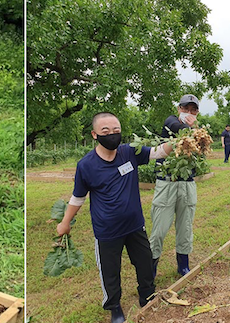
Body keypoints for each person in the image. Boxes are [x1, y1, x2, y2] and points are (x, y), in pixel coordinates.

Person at [56, 112, 173, 323]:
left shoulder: (129, 152)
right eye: (106, 131)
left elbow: (159, 152)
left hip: (135, 225)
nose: (112, 135)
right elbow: (78, 197)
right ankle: (114, 307)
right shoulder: (87, 165)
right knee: (110, 272)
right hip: (107, 230)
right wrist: (65, 223)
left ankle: (147, 295)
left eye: (116, 131)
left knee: (145, 262)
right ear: (94, 135)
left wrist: (180, 141)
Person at [148, 94, 201, 279]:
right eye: (186, 109)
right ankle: (151, 267)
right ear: (179, 108)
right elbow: (178, 128)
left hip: (187, 183)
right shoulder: (171, 122)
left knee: (185, 226)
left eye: (193, 110)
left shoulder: (197, 131)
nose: (189, 113)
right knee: (160, 228)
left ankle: (183, 265)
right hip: (167, 183)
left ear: (197, 112)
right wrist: (193, 129)